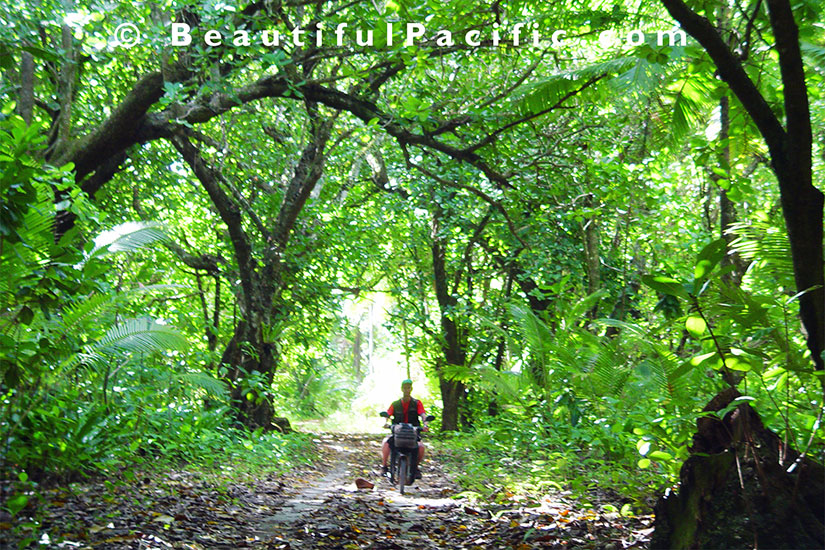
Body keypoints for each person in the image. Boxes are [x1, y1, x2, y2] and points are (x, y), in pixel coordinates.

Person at [381, 379, 428, 478]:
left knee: (421, 447)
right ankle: (384, 466)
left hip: (413, 433)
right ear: (402, 389)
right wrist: (386, 423)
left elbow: (423, 414)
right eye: (405, 388)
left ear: (411, 389)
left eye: (408, 387)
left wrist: (425, 424)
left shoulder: (417, 403)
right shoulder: (395, 404)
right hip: (397, 432)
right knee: (386, 443)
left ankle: (415, 467)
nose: (407, 390)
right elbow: (388, 414)